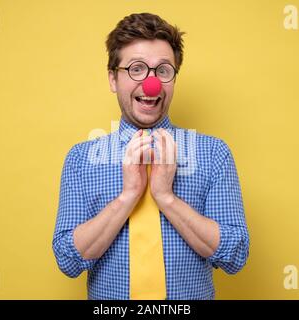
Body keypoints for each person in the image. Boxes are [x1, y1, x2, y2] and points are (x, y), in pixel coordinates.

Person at [52, 12, 249, 300]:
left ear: (173, 79)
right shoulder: (82, 159)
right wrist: (128, 195)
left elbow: (235, 255)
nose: (151, 83)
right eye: (136, 69)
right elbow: (68, 260)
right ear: (113, 79)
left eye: (163, 70)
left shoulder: (213, 153)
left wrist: (166, 197)